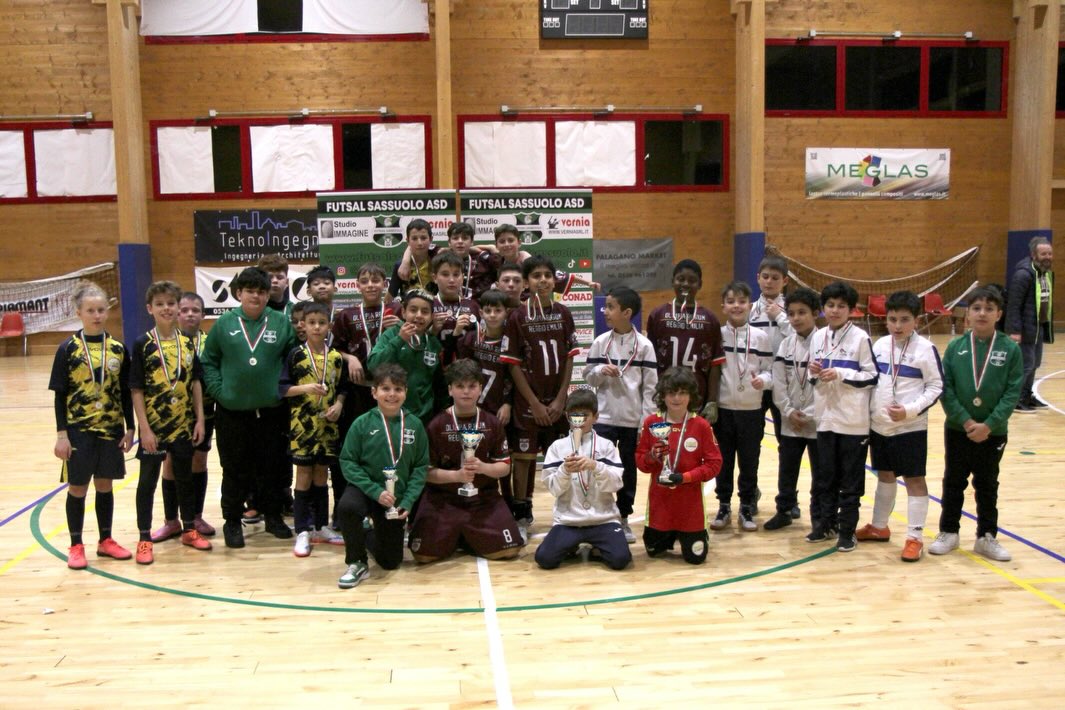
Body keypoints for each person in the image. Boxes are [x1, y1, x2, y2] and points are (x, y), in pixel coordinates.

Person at [200, 266, 298, 549]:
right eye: (250, 291)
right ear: (239, 293)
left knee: (272, 467)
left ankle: (273, 517)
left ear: (268, 295)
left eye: (261, 292)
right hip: (232, 412)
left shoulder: (281, 323)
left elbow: (293, 360)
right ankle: (232, 521)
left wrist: (283, 391)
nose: (256, 296)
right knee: (234, 469)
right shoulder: (224, 324)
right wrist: (220, 392)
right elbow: (208, 361)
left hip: (271, 411)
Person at [930, 287, 1023, 562]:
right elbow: (946, 389)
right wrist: (966, 420)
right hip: (958, 428)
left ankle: (986, 536)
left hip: (993, 432)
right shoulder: (955, 348)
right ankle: (949, 532)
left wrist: (989, 424)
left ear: (999, 314)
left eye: (989, 309)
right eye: (977, 308)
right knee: (953, 481)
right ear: (968, 314)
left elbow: (1012, 392)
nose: (982, 313)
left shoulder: (1010, 349)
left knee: (987, 484)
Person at [49, 282, 135, 569]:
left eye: (101, 310)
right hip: (78, 431)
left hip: (110, 429)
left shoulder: (118, 349)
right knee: (77, 487)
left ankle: (105, 540)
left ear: (107, 311)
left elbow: (125, 393)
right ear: (79, 313)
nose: (97, 315)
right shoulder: (68, 349)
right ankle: (76, 545)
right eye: (90, 311)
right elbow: (60, 395)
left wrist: (130, 428)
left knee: (105, 485)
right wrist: (62, 435)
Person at [857, 291, 943, 562]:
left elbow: (936, 387)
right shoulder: (880, 345)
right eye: (892, 319)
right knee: (885, 474)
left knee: (914, 479)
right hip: (880, 426)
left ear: (917, 320)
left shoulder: (925, 349)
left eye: (904, 320)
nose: (897, 326)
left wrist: (909, 410)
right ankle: (879, 526)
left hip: (910, 427)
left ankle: (915, 537)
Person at [500, 255, 580, 541]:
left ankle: (567, 511)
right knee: (523, 460)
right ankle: (522, 515)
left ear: (554, 280)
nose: (543, 280)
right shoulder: (517, 317)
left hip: (557, 401)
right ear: (527, 282)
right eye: (536, 276)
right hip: (528, 404)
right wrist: (534, 403)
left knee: (563, 458)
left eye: (547, 275)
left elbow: (569, 358)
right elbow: (513, 364)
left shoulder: (564, 313)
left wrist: (560, 400)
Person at [409, 359, 522, 563]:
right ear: (450, 390)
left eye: (472, 386)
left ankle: (463, 536)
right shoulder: (436, 425)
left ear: (480, 388)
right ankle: (461, 535)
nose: (466, 391)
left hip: (483, 498)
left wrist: (483, 467)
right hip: (443, 499)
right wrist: (457, 476)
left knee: (509, 550)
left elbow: (504, 467)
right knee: (423, 555)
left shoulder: (492, 423)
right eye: (460, 386)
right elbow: (426, 472)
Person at [130, 281, 209, 565]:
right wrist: (144, 429)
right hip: (154, 428)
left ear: (177, 307)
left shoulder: (186, 342)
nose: (166, 308)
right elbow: (136, 389)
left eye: (171, 303)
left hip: (183, 425)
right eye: (160, 304)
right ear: (149, 308)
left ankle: (188, 529)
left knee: (185, 478)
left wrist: (200, 419)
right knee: (147, 482)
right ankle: (144, 538)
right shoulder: (143, 344)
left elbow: (196, 382)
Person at [336, 363, 429, 589]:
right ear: (374, 392)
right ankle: (357, 562)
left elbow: (420, 467)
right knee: (347, 507)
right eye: (385, 388)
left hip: (395, 497)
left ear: (406, 392)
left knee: (390, 562)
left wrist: (408, 501)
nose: (392, 394)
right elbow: (347, 461)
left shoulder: (415, 425)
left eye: (398, 389)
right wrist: (374, 491)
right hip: (366, 489)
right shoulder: (362, 423)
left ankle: (367, 532)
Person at [583, 286, 657, 544]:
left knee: (627, 471)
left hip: (631, 421)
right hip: (603, 419)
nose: (605, 311)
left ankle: (624, 516)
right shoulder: (600, 342)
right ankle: (599, 514)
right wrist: (600, 371)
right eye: (606, 306)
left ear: (627, 313)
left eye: (611, 307)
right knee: (599, 467)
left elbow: (650, 388)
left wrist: (644, 424)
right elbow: (588, 377)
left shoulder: (645, 346)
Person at [807, 281, 878, 552]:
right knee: (825, 478)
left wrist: (841, 374)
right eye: (830, 305)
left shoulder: (861, 338)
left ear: (851, 310)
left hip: (853, 422)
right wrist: (814, 372)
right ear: (823, 308)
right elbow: (813, 378)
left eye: (841, 306)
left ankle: (847, 532)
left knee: (850, 481)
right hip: (825, 418)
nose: (835, 310)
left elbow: (872, 376)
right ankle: (826, 525)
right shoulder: (818, 337)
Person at [331, 263, 402, 527]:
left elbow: (413, 336)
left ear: (385, 284)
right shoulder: (346, 315)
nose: (370, 284)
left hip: (390, 391)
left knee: (389, 447)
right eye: (365, 280)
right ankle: (344, 508)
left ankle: (391, 504)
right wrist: (349, 357)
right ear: (357, 285)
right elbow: (333, 349)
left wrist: (400, 326)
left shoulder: (396, 310)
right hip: (358, 391)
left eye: (376, 280)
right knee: (353, 448)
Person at [280, 303, 349, 557]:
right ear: (303, 326)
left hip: (327, 426)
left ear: (329, 325)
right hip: (302, 427)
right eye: (312, 323)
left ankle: (320, 527)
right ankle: (302, 530)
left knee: (322, 475)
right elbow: (282, 389)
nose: (317, 327)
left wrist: (339, 405)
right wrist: (306, 388)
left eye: (322, 322)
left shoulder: (336, 357)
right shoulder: (295, 355)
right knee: (304, 476)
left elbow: (342, 388)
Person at [535, 389, 631, 571]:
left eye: (585, 415)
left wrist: (596, 466)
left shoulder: (606, 446)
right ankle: (571, 545)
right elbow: (554, 489)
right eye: (575, 415)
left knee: (621, 560)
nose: (580, 420)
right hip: (569, 522)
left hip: (603, 520)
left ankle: (596, 547)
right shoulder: (557, 447)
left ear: (596, 417)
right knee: (544, 559)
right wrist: (564, 470)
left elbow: (615, 484)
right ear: (567, 417)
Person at [636, 367, 722, 565]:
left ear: (691, 396)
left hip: (690, 509)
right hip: (660, 506)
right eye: (671, 393)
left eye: (682, 392)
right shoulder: (652, 422)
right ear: (662, 395)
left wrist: (685, 477)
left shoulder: (701, 426)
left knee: (696, 559)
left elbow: (714, 464)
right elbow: (641, 463)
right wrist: (651, 456)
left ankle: (690, 533)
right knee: (653, 552)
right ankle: (667, 533)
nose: (677, 398)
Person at [152, 292, 216, 542]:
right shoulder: (164, 342)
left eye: (195, 310)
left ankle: (196, 517)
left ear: (203, 314)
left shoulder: (210, 343)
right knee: (169, 464)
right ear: (177, 313)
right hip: (171, 415)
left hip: (203, 413)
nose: (190, 314)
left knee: (199, 461)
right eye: (185, 310)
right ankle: (171, 521)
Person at [710, 281, 773, 532]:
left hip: (751, 410)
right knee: (723, 461)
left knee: (749, 461)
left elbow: (770, 371)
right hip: (724, 410)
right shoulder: (717, 335)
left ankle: (746, 506)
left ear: (749, 305)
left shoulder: (761, 337)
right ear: (723, 306)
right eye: (731, 301)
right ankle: (724, 505)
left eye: (742, 301)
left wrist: (763, 381)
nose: (736, 306)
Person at [765, 287, 821, 531]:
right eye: (791, 313)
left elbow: (827, 387)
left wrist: (810, 414)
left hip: (817, 421)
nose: (796, 318)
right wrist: (788, 411)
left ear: (815, 313)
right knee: (787, 467)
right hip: (790, 420)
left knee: (821, 471)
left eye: (802, 312)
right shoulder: (786, 345)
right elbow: (779, 383)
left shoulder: (825, 344)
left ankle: (819, 515)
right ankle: (784, 510)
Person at [645, 259, 725, 421]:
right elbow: (649, 363)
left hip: (697, 396)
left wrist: (712, 401)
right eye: (681, 279)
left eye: (692, 280)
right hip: (664, 395)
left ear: (700, 284)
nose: (686, 284)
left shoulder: (710, 319)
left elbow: (715, 364)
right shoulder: (658, 315)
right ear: (672, 281)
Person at [367, 288, 444, 425]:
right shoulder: (391, 334)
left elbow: (437, 384)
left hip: (424, 417)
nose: (419, 315)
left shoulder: (433, 343)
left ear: (432, 316)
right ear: (403, 312)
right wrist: (400, 340)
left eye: (425, 312)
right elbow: (373, 366)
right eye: (413, 310)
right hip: (392, 414)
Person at [748, 254, 793, 447]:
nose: (769, 282)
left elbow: (799, 338)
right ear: (758, 278)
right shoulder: (749, 310)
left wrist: (780, 317)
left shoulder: (792, 310)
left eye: (775, 278)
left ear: (785, 281)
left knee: (785, 438)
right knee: (752, 437)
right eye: (765, 277)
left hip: (784, 381)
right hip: (757, 379)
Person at [1005, 236, 1054, 412]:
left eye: (1049, 253)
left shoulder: (1045, 273)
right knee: (1025, 366)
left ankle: (1026, 395)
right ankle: (1016, 399)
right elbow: (1014, 304)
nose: (1047, 257)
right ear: (1034, 255)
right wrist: (1014, 330)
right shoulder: (1023, 275)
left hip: (1038, 328)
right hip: (1024, 329)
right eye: (1043, 254)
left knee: (1035, 364)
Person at [430, 251, 481, 364]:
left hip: (467, 368)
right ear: (434, 277)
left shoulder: (473, 306)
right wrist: (432, 330)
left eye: (456, 274)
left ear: (462, 278)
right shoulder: (427, 305)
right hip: (435, 366)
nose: (451, 280)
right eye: (445, 274)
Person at [388, 218, 438, 300]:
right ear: (407, 241)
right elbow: (389, 298)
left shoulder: (438, 262)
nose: (419, 243)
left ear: (431, 239)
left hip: (435, 307)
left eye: (423, 238)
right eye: (414, 239)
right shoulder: (400, 265)